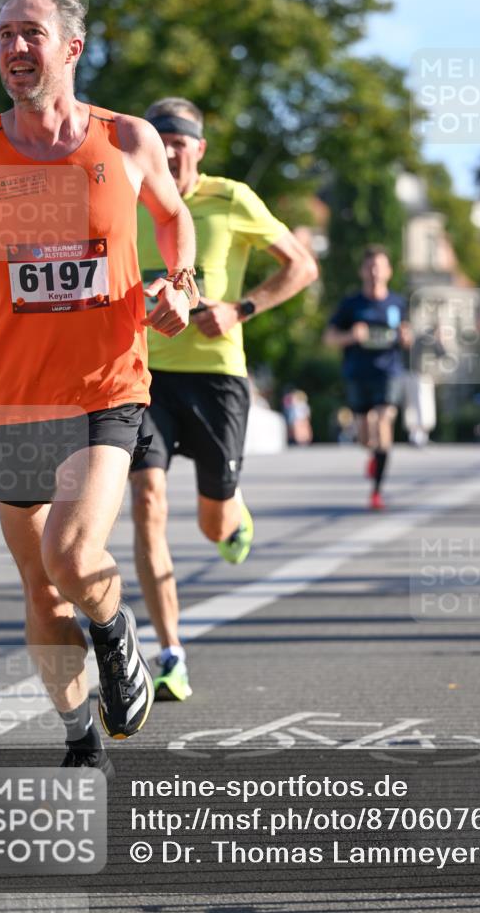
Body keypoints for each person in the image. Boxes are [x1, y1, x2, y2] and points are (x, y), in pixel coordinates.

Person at [0, 0, 198, 773]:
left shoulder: (124, 142)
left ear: (72, 48)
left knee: (71, 553)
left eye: (31, 33)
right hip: (12, 394)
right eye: (4, 35)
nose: (14, 48)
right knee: (41, 591)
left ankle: (118, 633)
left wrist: (178, 285)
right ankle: (81, 732)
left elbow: (172, 217)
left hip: (107, 384)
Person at [130, 97, 318, 702]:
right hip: (145, 377)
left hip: (217, 378)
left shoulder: (230, 198)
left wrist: (242, 308)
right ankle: (170, 652)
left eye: (181, 139)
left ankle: (231, 508)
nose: (170, 148)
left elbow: (302, 266)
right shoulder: (127, 197)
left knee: (215, 523)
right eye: (160, 139)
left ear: (199, 149)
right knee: (148, 501)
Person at [323, 246, 411, 511]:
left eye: (380, 267)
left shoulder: (397, 303)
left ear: (388, 271)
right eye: (370, 267)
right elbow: (329, 338)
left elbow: (408, 335)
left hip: (389, 372)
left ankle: (376, 491)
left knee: (384, 424)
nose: (375, 272)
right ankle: (373, 456)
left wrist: (407, 338)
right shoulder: (351, 304)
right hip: (358, 373)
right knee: (365, 436)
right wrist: (351, 336)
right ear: (363, 271)